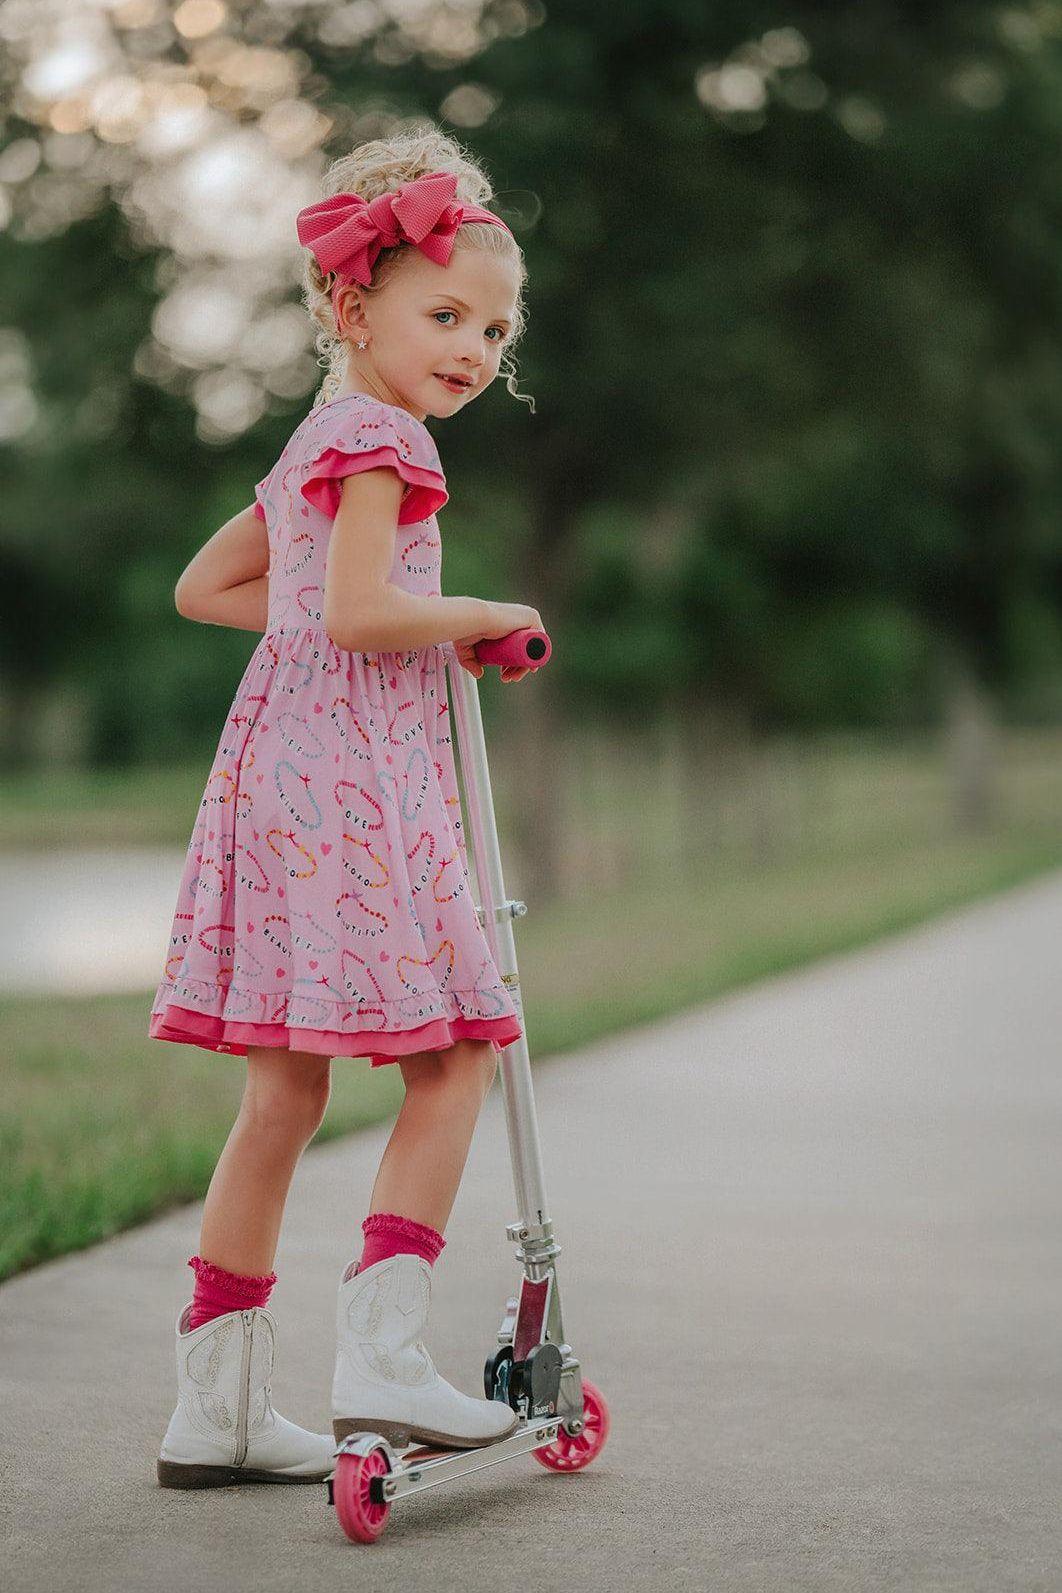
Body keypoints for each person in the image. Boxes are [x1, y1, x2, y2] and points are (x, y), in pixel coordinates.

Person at [151, 125, 543, 1488]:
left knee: (282, 1096)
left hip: (276, 774)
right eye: (444, 314)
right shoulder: (386, 445)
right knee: (455, 1056)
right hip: (359, 783)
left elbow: (206, 591)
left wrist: (341, 625)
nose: (473, 348)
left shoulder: (316, 436)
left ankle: (216, 1407)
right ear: (351, 308)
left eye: (492, 329)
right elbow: (367, 607)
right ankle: (381, 1352)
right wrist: (480, 612)